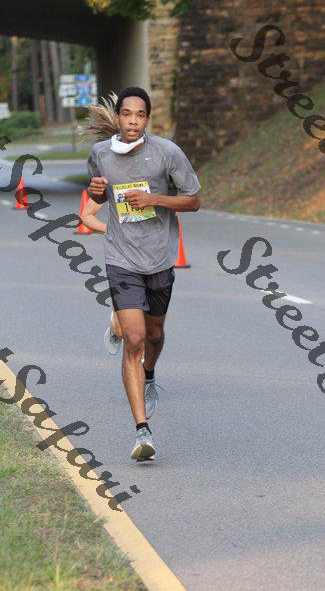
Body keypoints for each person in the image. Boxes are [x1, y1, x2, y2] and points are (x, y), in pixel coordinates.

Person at [86, 86, 201, 461]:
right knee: (133, 339)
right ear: (118, 118)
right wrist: (97, 192)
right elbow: (99, 196)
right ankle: (141, 432)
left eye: (140, 114)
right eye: (127, 114)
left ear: (147, 119)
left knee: (153, 334)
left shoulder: (166, 153)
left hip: (160, 258)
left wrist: (155, 199)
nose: (133, 120)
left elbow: (194, 200)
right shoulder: (100, 154)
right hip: (121, 257)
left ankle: (149, 373)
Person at [81, 197, 123, 355]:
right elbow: (87, 216)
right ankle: (115, 327)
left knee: (152, 329)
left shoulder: (161, 184)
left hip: (155, 258)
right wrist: (114, 231)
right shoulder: (111, 181)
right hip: (123, 257)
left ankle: (145, 369)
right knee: (123, 330)